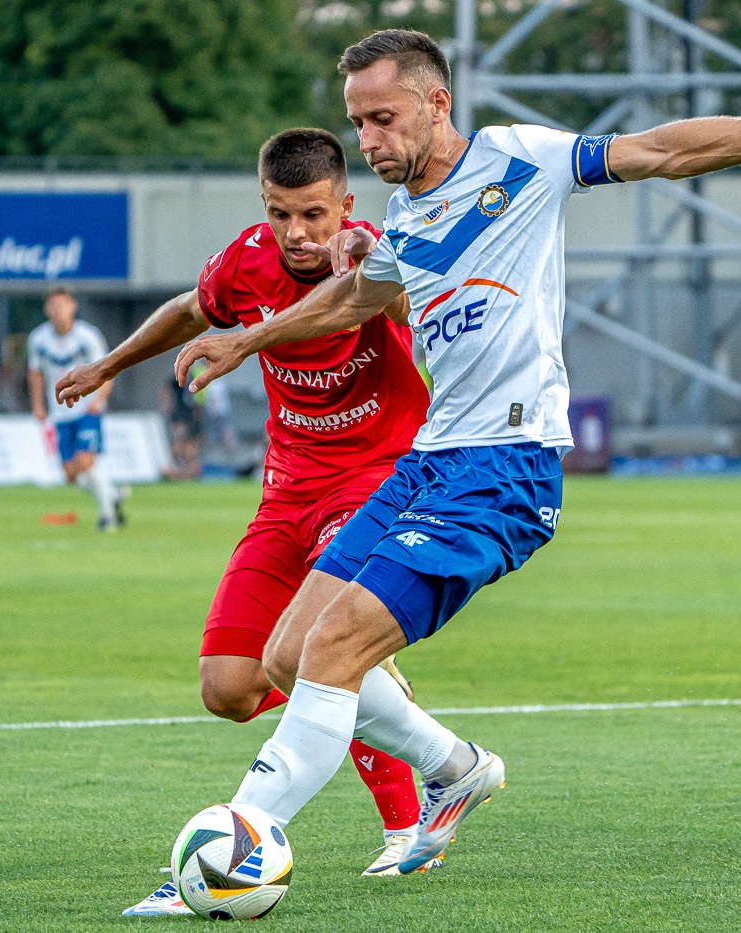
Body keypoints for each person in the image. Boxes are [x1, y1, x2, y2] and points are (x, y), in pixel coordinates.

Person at [174, 29, 741, 883]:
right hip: (428, 463)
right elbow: (352, 298)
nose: (369, 140)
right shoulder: (405, 217)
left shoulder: (521, 160)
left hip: (504, 465)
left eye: (383, 119)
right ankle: (454, 767)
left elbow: (663, 149)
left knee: (336, 646)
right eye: (358, 123)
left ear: (437, 103)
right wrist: (246, 338)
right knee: (286, 655)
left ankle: (237, 845)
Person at [54, 128, 435, 910]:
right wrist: (109, 366)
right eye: (279, 213)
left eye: (313, 214)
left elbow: (399, 300)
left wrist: (370, 260)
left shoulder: (377, 255)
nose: (297, 232)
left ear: (345, 205)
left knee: (322, 648)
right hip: (286, 489)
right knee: (228, 686)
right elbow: (190, 310)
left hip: (377, 479)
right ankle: (405, 723)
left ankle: (394, 828)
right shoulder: (247, 261)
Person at [27, 287, 123, 530]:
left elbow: (107, 369)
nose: (58, 309)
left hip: (87, 409)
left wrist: (99, 399)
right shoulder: (38, 339)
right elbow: (35, 373)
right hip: (61, 412)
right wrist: (38, 404)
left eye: (62, 304)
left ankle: (107, 517)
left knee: (85, 461)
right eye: (53, 305)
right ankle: (112, 494)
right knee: (70, 474)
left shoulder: (87, 336)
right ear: (46, 309)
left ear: (73, 307)